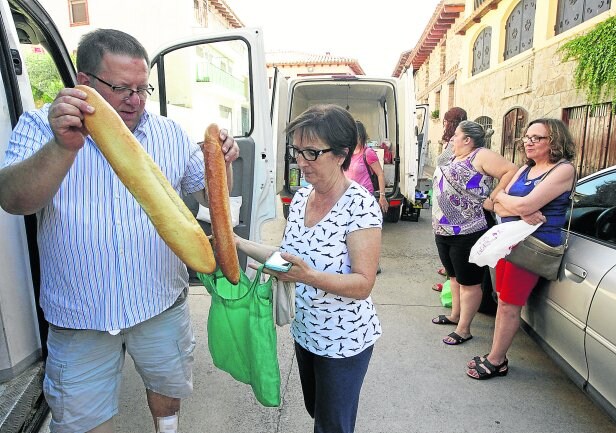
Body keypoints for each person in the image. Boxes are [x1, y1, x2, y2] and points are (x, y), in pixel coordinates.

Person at [0, 29, 239, 433]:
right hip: (80, 316)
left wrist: (223, 160)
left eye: (142, 87)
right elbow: (14, 199)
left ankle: (167, 427)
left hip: (159, 304)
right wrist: (63, 147)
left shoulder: (169, 133)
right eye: (122, 88)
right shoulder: (42, 127)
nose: (137, 100)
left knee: (167, 386)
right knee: (81, 420)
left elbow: (208, 195)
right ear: (84, 82)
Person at [236, 104, 382, 433]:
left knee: (332, 427)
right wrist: (237, 243)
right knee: (317, 411)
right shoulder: (302, 196)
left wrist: (308, 277)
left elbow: (363, 284)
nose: (301, 162)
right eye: (297, 150)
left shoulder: (360, 206)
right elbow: (288, 259)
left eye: (312, 152)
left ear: (342, 153)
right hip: (306, 332)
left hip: (343, 341)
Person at [466, 118, 576, 379]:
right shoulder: (525, 169)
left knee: (508, 305)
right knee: (501, 299)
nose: (528, 141)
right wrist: (515, 205)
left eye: (537, 137)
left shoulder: (562, 170)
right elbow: (491, 203)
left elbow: (517, 204)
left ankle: (496, 360)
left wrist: (510, 202)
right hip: (509, 242)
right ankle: (497, 354)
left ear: (555, 141)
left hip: (533, 246)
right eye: (527, 137)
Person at [430, 120, 517, 346]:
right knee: (454, 276)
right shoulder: (451, 156)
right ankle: (454, 315)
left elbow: (511, 170)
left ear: (468, 139)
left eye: (456, 135)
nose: (452, 139)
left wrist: (494, 197)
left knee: (469, 282)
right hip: (444, 227)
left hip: (470, 228)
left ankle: (464, 329)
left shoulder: (481, 155)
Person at [432, 107, 467, 291]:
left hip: (451, 197)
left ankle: (449, 281)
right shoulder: (455, 140)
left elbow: (441, 161)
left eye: (445, 120)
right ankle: (449, 278)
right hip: (446, 194)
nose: (444, 123)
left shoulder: (455, 140)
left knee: (450, 243)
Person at [345, 120, 388, 213]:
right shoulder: (347, 153)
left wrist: (382, 196)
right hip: (348, 196)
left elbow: (380, 174)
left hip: (365, 197)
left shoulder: (367, 153)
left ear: (360, 136)